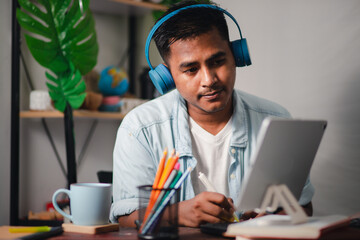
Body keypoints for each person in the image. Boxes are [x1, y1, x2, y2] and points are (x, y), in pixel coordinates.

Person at [110, 0, 314, 227]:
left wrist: (278, 217)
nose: (209, 80)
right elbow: (125, 218)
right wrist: (178, 213)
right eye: (191, 69)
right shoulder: (139, 129)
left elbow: (303, 206)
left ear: (237, 55)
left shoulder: (277, 121)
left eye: (218, 61)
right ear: (167, 77)